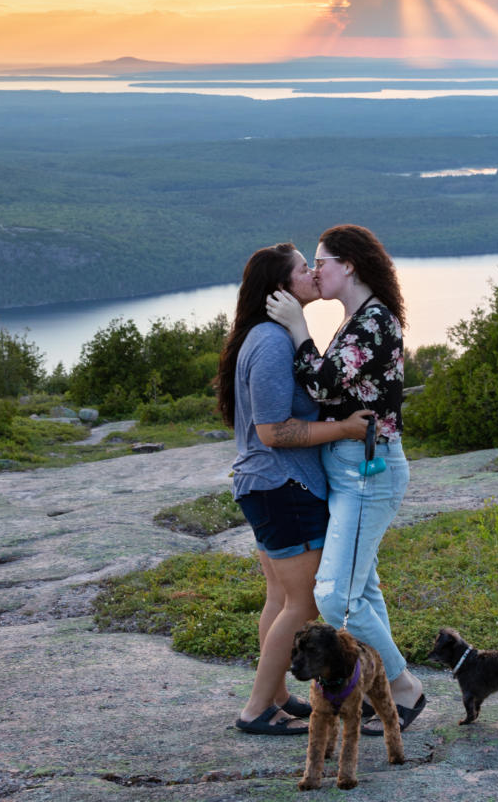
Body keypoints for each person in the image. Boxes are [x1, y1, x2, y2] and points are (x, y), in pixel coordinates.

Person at [265, 224, 426, 735]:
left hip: (366, 472)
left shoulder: (373, 321)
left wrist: (296, 327)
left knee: (336, 598)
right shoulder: (359, 318)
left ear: (349, 264)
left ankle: (402, 687)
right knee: (364, 589)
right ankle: (392, 691)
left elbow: (323, 383)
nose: (315, 271)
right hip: (350, 468)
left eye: (322, 262)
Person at [218, 243, 371, 735]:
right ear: (281, 286)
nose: (312, 272)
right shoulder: (270, 343)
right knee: (303, 604)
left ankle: (278, 697)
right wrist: (346, 429)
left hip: (270, 487)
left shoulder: (272, 336)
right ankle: (258, 709)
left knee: (279, 599)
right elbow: (273, 431)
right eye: (304, 268)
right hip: (283, 487)